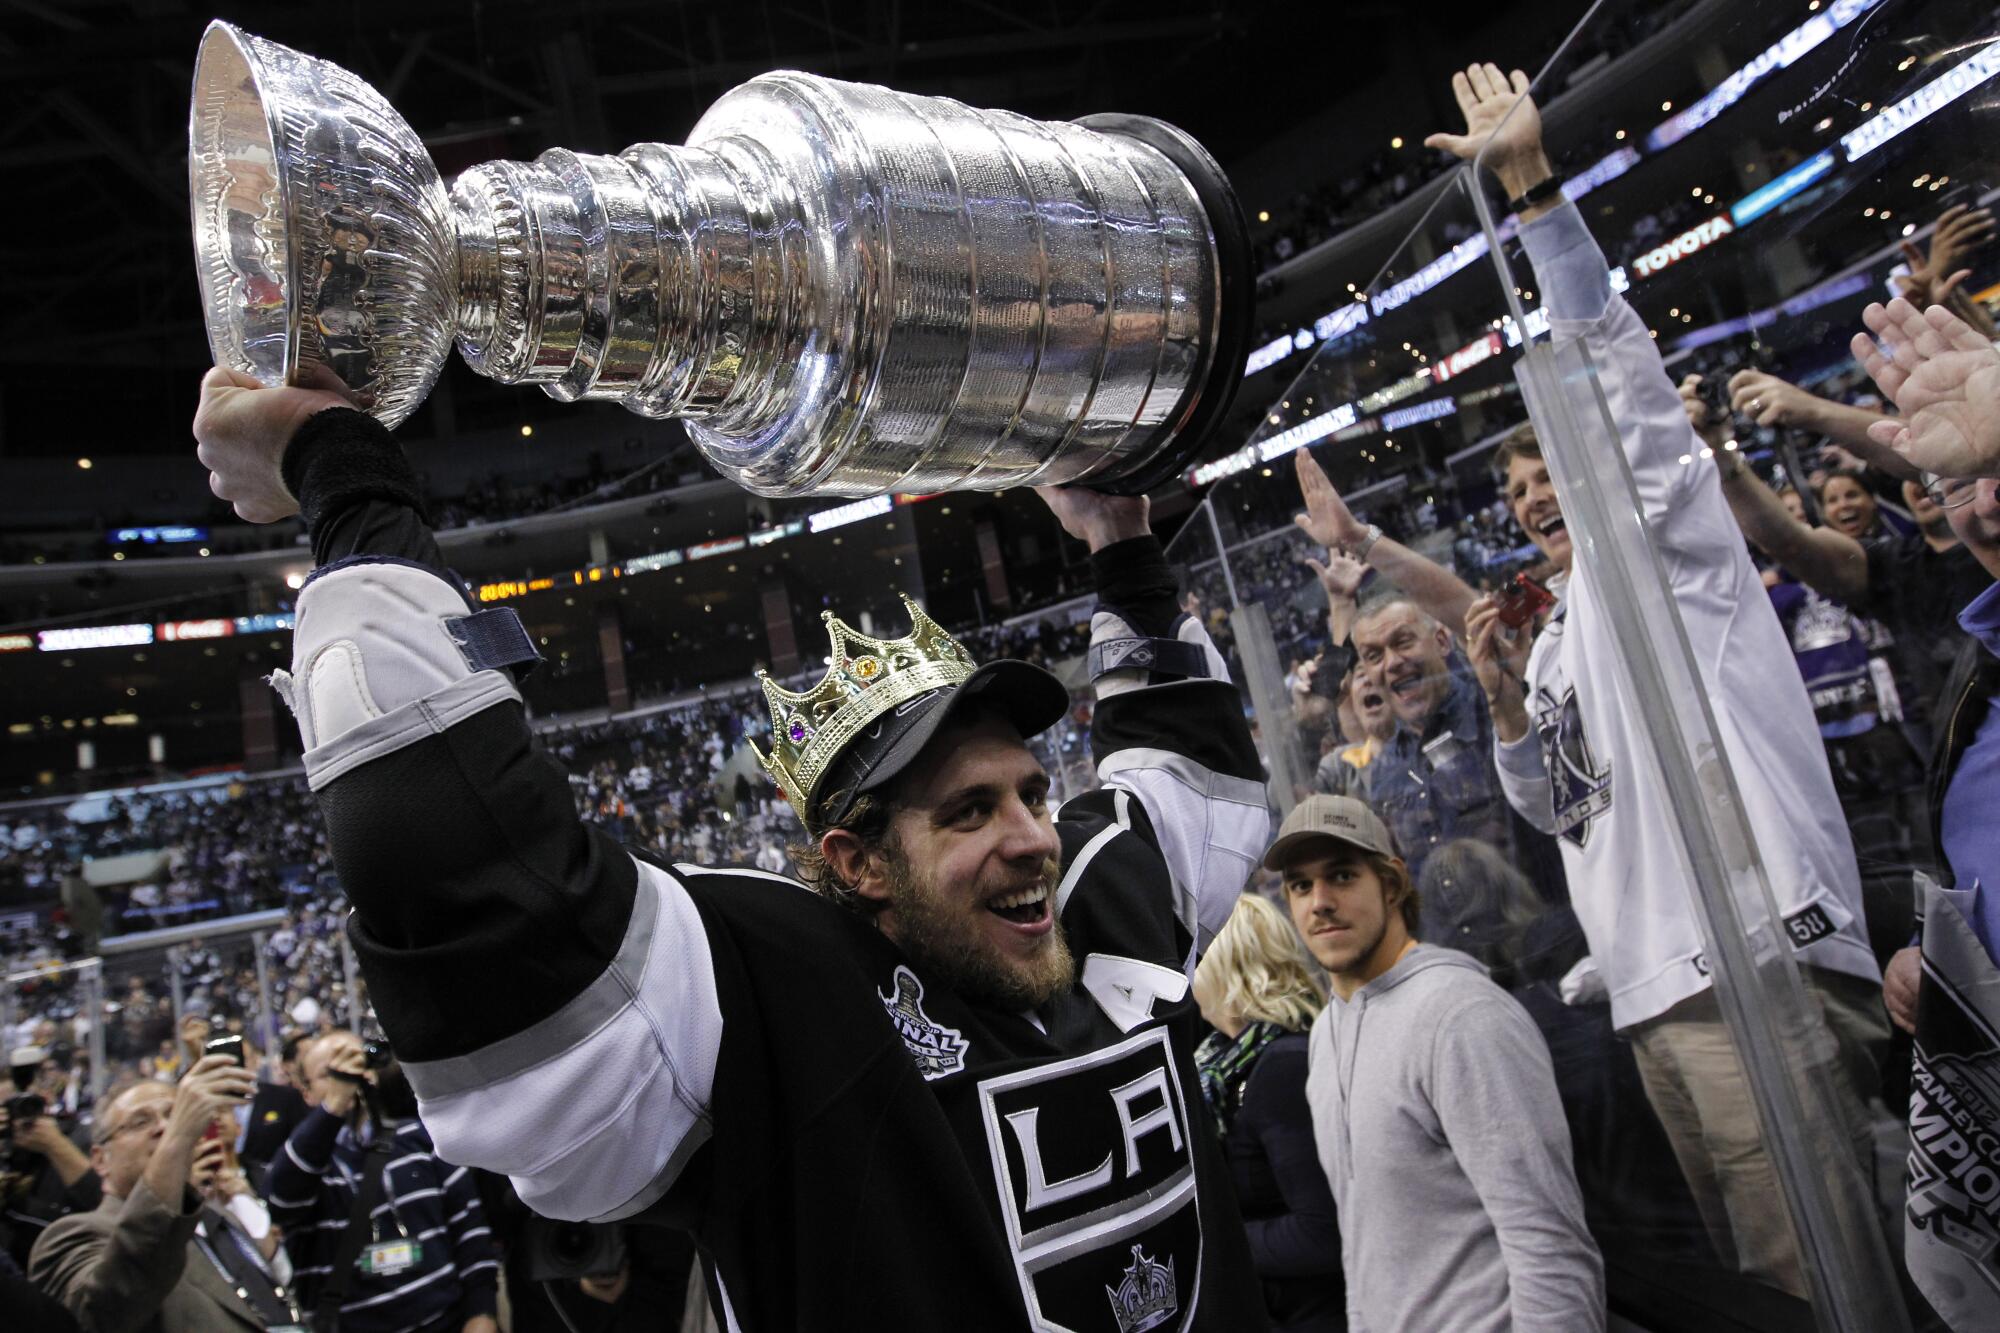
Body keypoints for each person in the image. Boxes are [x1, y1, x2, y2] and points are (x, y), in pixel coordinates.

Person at [190, 353, 1277, 1329]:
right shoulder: (782, 990)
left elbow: (1181, 772)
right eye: (966, 810)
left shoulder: (1097, 898)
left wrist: (1118, 540)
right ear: (855, 862)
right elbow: (463, 860)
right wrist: (343, 472)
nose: (1031, 835)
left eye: (1031, 791)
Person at [1445, 63, 1886, 1299]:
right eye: (1518, 495)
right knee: (1758, 1289)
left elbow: (1628, 405)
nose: (1535, 500)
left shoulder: (1671, 557)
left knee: (1828, 1284)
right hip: (1652, 995)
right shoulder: (1552, 638)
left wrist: (1533, 197)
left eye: (1552, 478)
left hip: (1753, 964)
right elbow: (1556, 810)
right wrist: (1496, 702)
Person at [1274, 794, 1603, 1331]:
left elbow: (1550, 1243)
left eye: (1342, 876)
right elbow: (1366, 1249)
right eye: (1301, 885)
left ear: (1392, 883)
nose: (1320, 902)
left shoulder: (1462, 1016)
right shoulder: (1327, 1030)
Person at [263, 1030, 500, 1333]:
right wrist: (334, 1104)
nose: (351, 1075)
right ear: (306, 1093)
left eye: (358, 1062)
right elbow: (282, 1201)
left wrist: (482, 1313)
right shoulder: (305, 1161)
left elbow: (470, 1231)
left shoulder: (421, 1139)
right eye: (331, 1072)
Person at [1192, 894, 1344, 1332]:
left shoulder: (1281, 1066)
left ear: (1220, 964)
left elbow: (1322, 1233)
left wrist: (1210, 1243)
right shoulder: (1223, 1061)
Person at [28, 1056, 268, 1333]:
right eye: (140, 1122)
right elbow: (100, 1315)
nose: (165, 1128)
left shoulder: (219, 1219)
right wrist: (178, 1136)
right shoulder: (72, 1236)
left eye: (174, 1115)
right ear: (100, 1160)